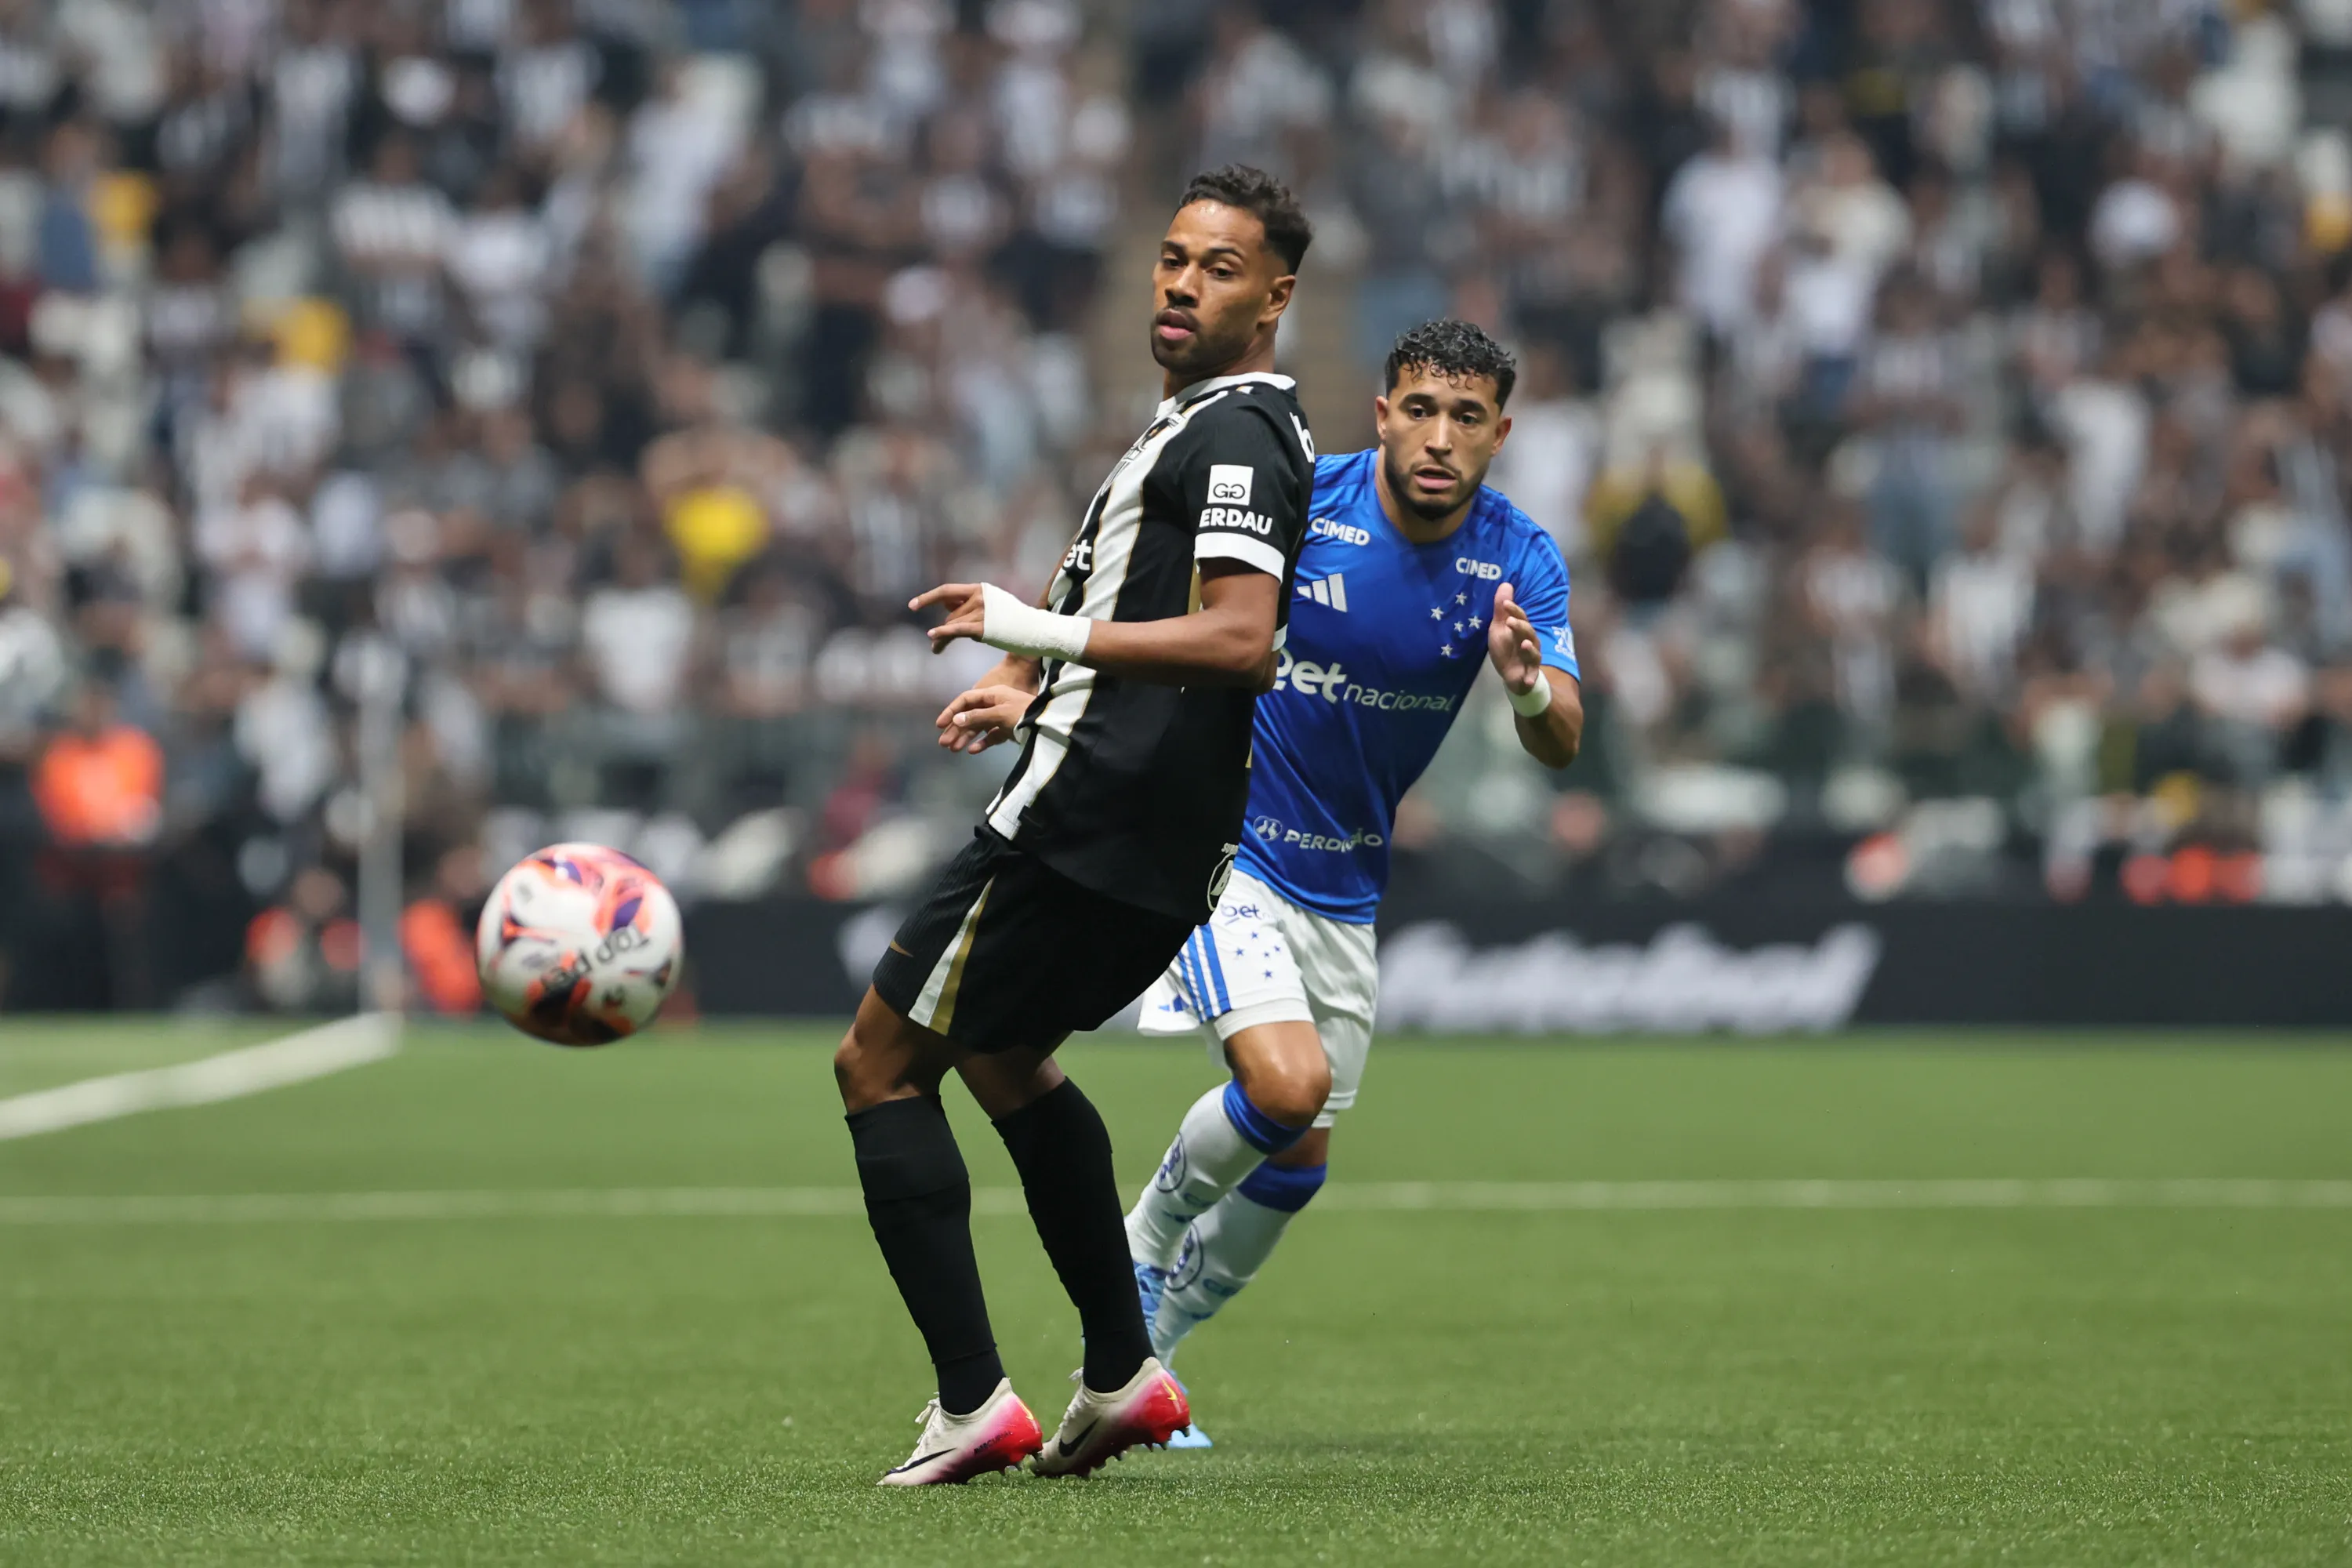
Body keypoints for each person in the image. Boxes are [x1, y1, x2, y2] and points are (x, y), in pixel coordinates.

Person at [956, 321, 1584, 1444]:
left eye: (1467, 417)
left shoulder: (1519, 557)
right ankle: (1142, 1252)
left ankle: (1153, 1355)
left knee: (1296, 1162)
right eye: (1420, 410)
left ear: (1500, 434)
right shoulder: (1305, 501)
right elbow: (1124, 559)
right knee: (1286, 1088)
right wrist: (1023, 674)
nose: (1440, 438)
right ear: (1382, 415)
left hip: (1347, 887)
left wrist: (1529, 687)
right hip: (1220, 847)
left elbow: (1562, 740)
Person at [833, 164, 1316, 1486]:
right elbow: (1157, 613)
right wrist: (1035, 685)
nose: (1183, 283)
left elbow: (1239, 639)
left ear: (1275, 299)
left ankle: (972, 1404)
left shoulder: (1239, 437)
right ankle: (1121, 1375)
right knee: (1001, 1054)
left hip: (1084, 819)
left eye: (1220, 269)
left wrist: (1034, 631)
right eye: (1174, 258)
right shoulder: (1203, 425)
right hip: (1150, 834)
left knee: (877, 1067)